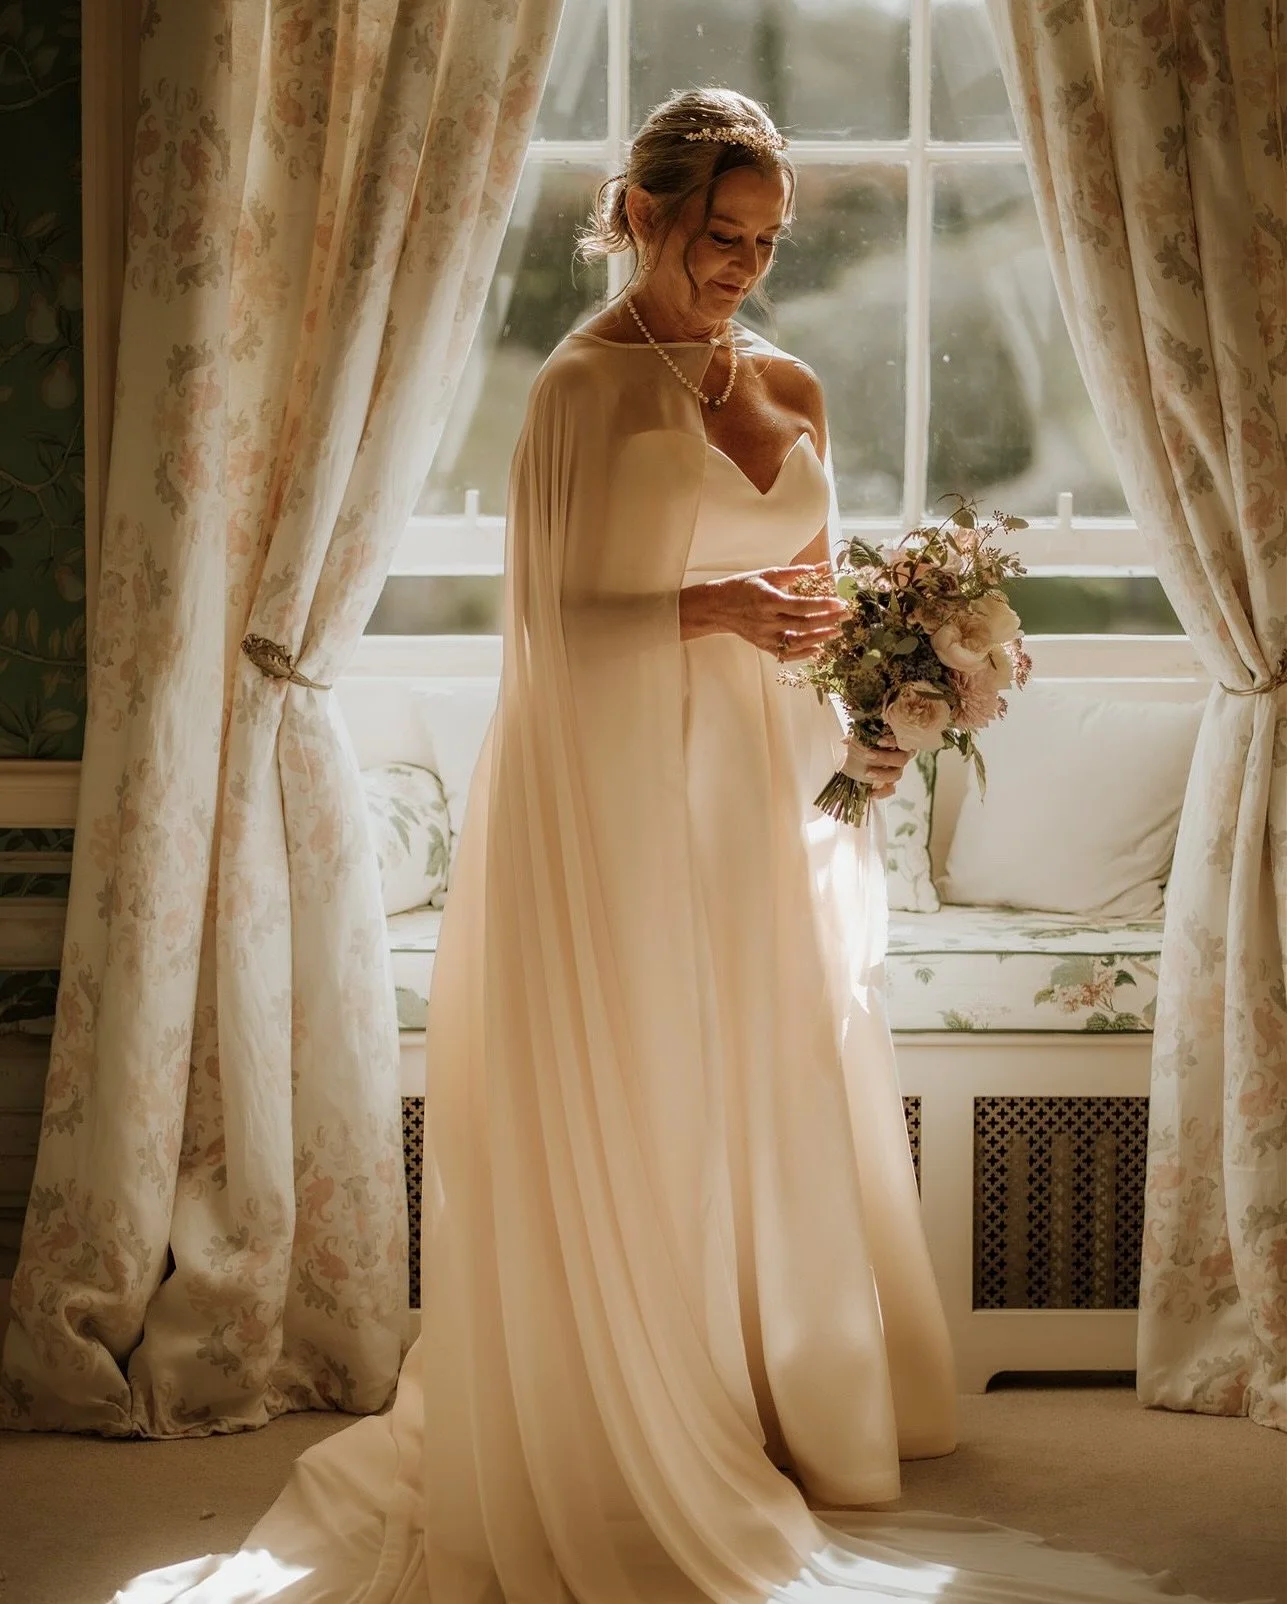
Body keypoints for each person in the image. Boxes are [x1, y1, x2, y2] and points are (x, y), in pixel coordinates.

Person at [120, 88, 1217, 1604]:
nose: (741, 269)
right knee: (647, 1078)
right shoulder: (578, 392)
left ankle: (784, 1397)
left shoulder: (791, 381)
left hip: (765, 783)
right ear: (636, 212)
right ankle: (641, 1387)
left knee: (771, 1063)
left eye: (763, 243)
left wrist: (880, 714)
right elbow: (548, 633)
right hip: (617, 786)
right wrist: (710, 609)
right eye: (717, 236)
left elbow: (817, 599)